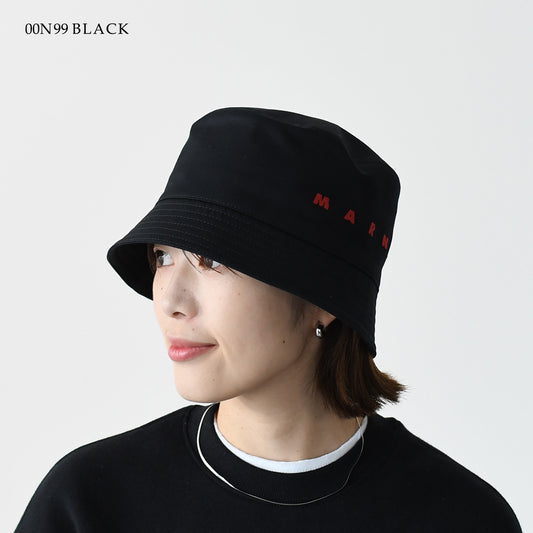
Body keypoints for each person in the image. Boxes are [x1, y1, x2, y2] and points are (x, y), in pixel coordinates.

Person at [15, 107, 522, 532]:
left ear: (325, 297)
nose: (170, 300)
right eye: (164, 256)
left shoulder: (462, 518)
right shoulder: (89, 504)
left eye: (212, 260)